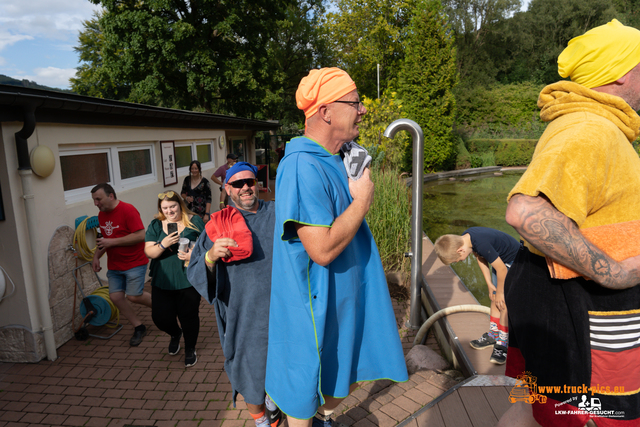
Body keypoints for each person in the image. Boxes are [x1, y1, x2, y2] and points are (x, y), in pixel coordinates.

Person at [498, 19, 640, 427]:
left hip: (556, 306)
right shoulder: (590, 130)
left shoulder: (590, 125)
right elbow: (525, 213)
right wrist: (613, 273)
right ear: (620, 72)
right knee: (593, 416)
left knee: (530, 408)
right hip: (581, 315)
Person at [265, 67, 408, 427]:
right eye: (355, 103)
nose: (363, 110)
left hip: (342, 301)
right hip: (317, 310)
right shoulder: (301, 166)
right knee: (305, 392)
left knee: (343, 380)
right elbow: (323, 250)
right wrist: (362, 201)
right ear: (326, 111)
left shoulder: (335, 157)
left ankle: (323, 416)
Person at [187, 162, 281, 427]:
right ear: (227, 189)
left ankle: (274, 401)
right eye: (238, 184)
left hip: (283, 310)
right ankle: (262, 420)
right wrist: (209, 256)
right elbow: (195, 270)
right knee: (250, 371)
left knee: (283, 365)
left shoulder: (277, 213)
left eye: (249, 181)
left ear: (258, 184)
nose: (245, 188)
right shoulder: (217, 225)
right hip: (244, 313)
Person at [434, 227, 519, 365]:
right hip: (501, 263)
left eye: (457, 259)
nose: (459, 261)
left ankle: (502, 343)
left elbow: (502, 269)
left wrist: (501, 292)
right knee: (494, 297)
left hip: (513, 263)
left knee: (503, 303)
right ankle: (493, 334)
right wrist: (490, 284)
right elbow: (480, 257)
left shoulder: (481, 243)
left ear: (459, 250)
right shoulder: (466, 238)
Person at [144, 191, 204, 367]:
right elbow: (149, 251)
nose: (170, 211)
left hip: (187, 278)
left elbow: (209, 244)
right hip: (162, 279)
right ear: (160, 209)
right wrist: (164, 244)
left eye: (173, 206)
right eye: (165, 208)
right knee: (160, 317)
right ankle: (175, 333)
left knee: (189, 316)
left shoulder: (194, 221)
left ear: (180, 204)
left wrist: (194, 254)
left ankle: (190, 348)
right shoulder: (156, 225)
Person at [90, 183, 151, 347]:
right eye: (94, 200)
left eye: (98, 199)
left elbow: (140, 235)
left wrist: (112, 241)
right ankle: (139, 326)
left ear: (110, 196)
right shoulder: (101, 215)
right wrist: (96, 256)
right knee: (116, 297)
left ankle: (162, 307)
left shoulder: (128, 210)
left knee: (133, 296)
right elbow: (105, 240)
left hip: (134, 262)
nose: (96, 203)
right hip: (115, 265)